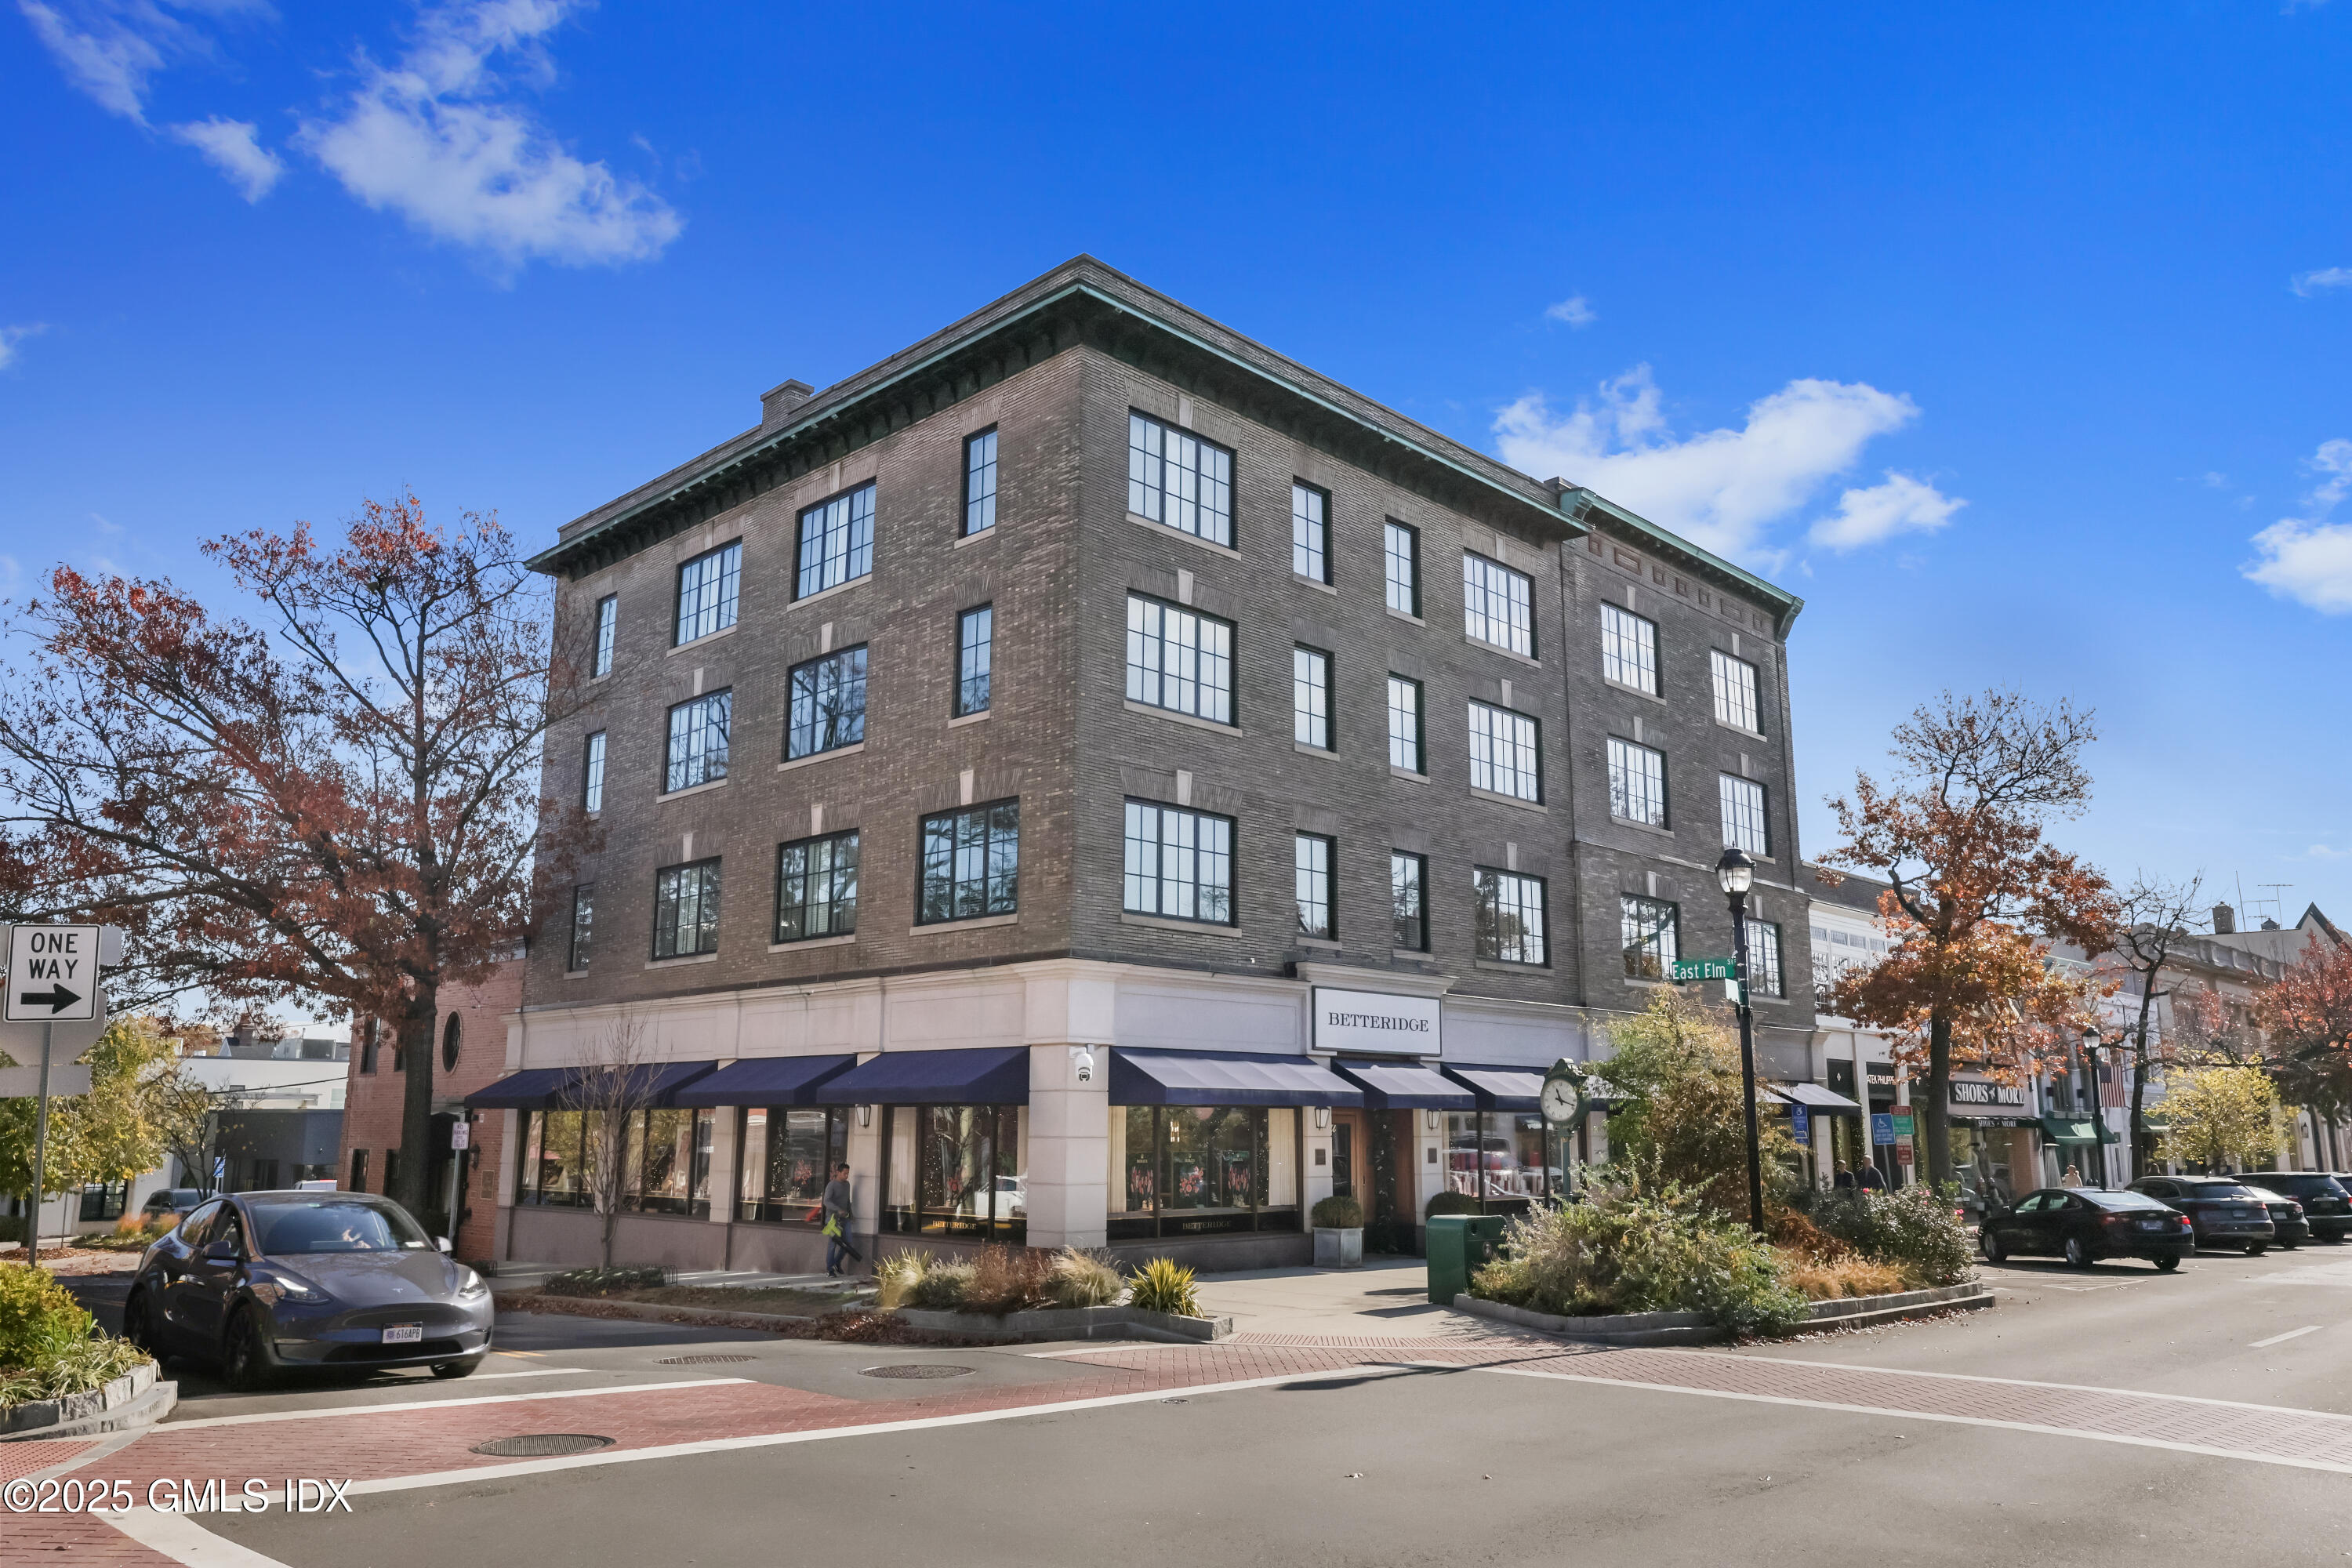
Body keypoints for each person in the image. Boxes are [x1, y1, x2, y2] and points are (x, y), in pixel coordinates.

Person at [822, 1162, 861, 1277]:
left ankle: (837, 1262)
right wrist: (838, 1209)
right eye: (844, 1173)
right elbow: (826, 1201)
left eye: (848, 1174)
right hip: (832, 1219)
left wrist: (851, 1214)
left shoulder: (847, 1185)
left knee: (848, 1242)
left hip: (845, 1218)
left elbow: (847, 1201)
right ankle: (830, 1269)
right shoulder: (831, 1185)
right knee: (833, 1244)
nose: (846, 1176)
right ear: (838, 1173)